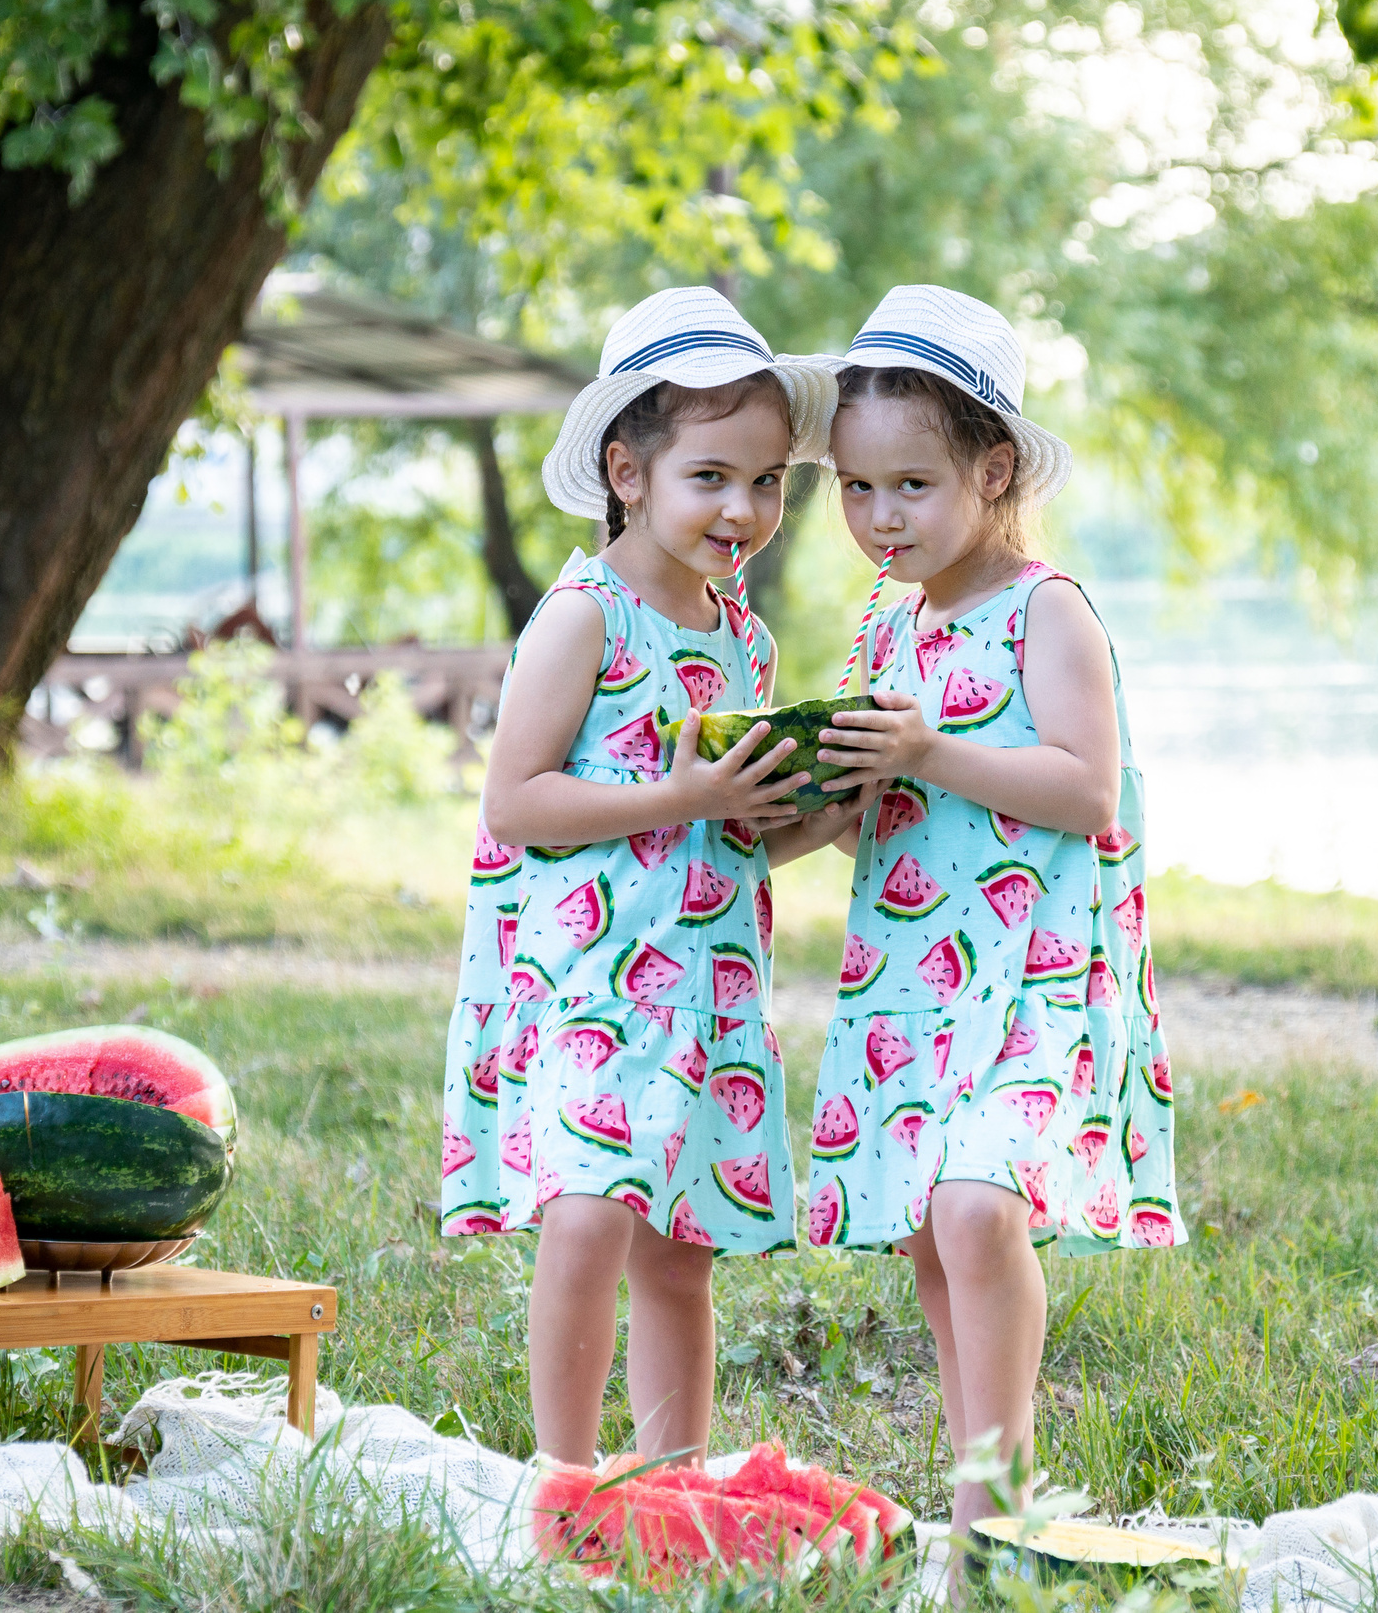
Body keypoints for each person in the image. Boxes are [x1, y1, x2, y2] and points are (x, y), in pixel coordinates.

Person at [439, 288, 862, 1467]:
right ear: (627, 470)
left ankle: (670, 1479)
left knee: (681, 1250)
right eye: (713, 476)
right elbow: (516, 802)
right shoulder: (585, 617)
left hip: (706, 985)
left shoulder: (744, 640)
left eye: (772, 480)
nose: (747, 507)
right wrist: (686, 796)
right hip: (589, 981)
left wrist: (810, 821)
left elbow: (721, 839)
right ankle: (565, 1478)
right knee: (587, 1219)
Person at [800, 285, 1185, 1533]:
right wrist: (786, 807)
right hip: (915, 970)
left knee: (975, 1206)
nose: (878, 517)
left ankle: (995, 1507)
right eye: (856, 490)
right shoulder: (887, 625)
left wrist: (924, 752)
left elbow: (1083, 789)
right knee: (928, 1230)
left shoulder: (1046, 609)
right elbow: (874, 797)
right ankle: (979, 1486)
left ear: (995, 466)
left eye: (909, 485)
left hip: (1029, 969)